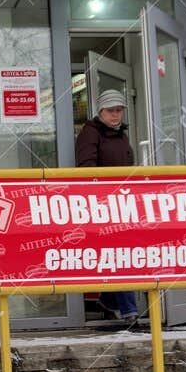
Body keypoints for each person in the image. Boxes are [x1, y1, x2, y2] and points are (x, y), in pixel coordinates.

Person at [74, 88, 138, 324]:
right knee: (120, 253)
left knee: (120, 253)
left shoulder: (121, 134)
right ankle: (130, 310)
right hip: (103, 204)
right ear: (100, 111)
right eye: (111, 110)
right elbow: (86, 168)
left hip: (122, 202)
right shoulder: (90, 133)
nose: (115, 115)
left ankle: (109, 301)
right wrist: (101, 194)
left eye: (119, 110)